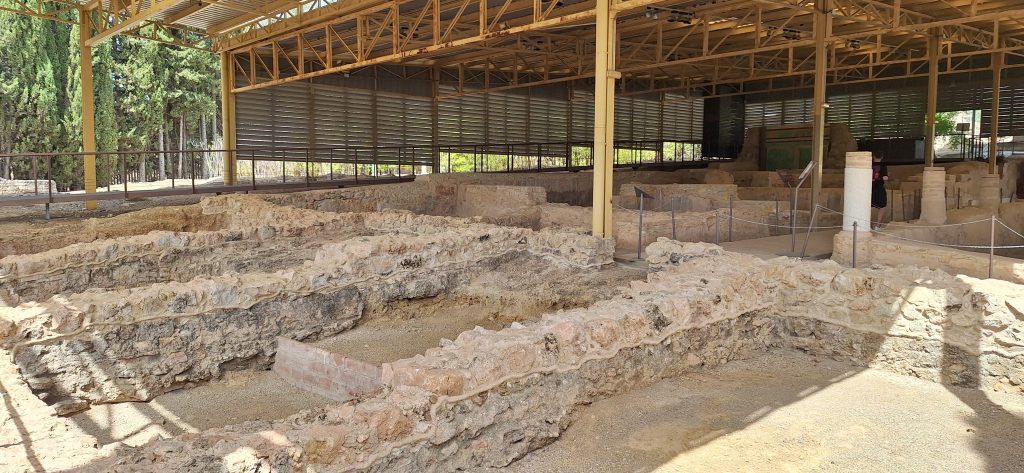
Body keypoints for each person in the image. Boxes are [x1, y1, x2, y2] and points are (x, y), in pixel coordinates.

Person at [870, 153, 888, 230]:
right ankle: (878, 225)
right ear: (882, 157)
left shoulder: (869, 165)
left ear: (873, 156)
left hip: (869, 187)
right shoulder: (883, 165)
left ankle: (868, 225)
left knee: (870, 206)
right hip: (879, 187)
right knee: (882, 206)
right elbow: (885, 178)